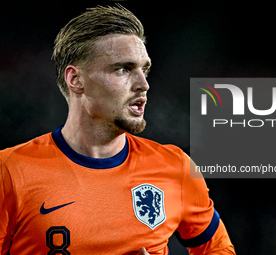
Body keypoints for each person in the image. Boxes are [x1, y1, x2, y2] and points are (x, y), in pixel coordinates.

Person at [0, 5, 236, 255]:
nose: (143, 84)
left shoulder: (176, 167)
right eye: (123, 69)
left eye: (144, 70)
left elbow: (219, 249)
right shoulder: (11, 171)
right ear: (75, 80)